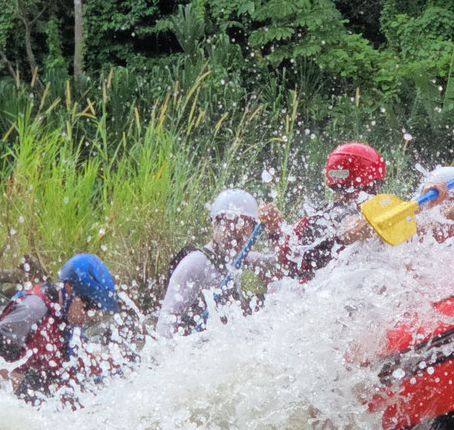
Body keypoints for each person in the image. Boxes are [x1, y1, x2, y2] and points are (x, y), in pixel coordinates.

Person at [0, 253, 120, 402]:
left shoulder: (68, 317)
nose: (91, 315)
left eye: (96, 308)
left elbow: (82, 358)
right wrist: (23, 386)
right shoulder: (32, 310)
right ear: (68, 289)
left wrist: (118, 363)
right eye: (88, 305)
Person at [156, 189, 283, 338]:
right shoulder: (195, 264)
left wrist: (275, 233)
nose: (234, 230)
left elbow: (284, 267)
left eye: (243, 224)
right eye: (228, 222)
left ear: (252, 230)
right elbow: (165, 324)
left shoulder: (250, 261)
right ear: (214, 224)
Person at [278, 142, 388, 281]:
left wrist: (273, 233)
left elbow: (281, 262)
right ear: (371, 186)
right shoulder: (353, 218)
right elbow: (349, 228)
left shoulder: (307, 221)